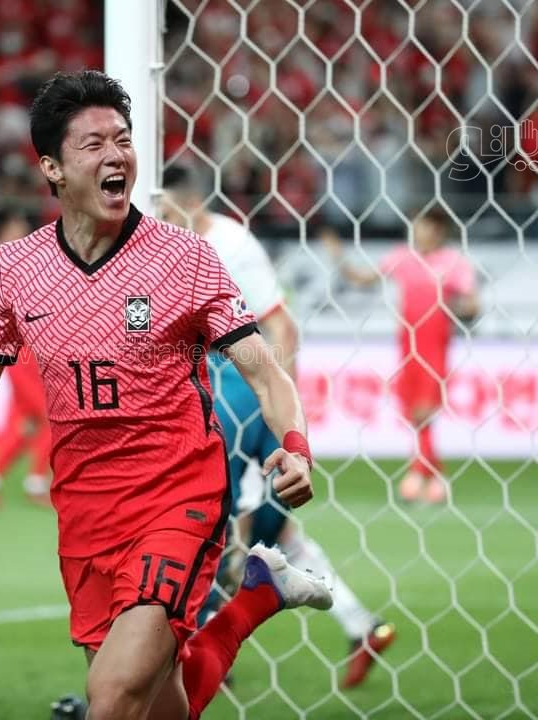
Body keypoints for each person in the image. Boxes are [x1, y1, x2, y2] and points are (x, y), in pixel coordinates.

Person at [0, 70, 332, 720]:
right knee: (154, 708)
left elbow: (263, 369)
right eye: (94, 144)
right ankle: (255, 598)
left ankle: (248, 596)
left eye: (123, 140)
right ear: (52, 168)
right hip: (85, 513)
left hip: (178, 496)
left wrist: (297, 446)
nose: (117, 155)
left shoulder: (184, 258)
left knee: (109, 698)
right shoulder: (15, 270)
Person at [160, 165, 395, 689]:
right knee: (272, 529)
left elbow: (281, 324)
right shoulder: (175, 244)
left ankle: (198, 646)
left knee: (211, 519)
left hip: (239, 390)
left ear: (192, 205)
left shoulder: (231, 245)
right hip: (219, 387)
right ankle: (361, 624)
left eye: (169, 213)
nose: (163, 222)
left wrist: (282, 415)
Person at [323, 210, 479, 504]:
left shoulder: (454, 262)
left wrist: (450, 306)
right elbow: (362, 279)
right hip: (408, 344)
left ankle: (417, 474)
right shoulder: (402, 257)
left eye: (423, 227)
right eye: (415, 226)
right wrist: (338, 256)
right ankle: (434, 479)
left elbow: (473, 306)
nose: (417, 232)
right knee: (412, 413)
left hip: (436, 345)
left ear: (438, 230)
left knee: (424, 412)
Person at [0, 209, 53, 508]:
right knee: (51, 414)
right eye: (14, 226)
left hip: (17, 348)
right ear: (1, 231)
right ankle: (37, 481)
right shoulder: (7, 261)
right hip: (25, 349)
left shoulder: (5, 260)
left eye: (22, 226)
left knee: (24, 419)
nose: (20, 231)